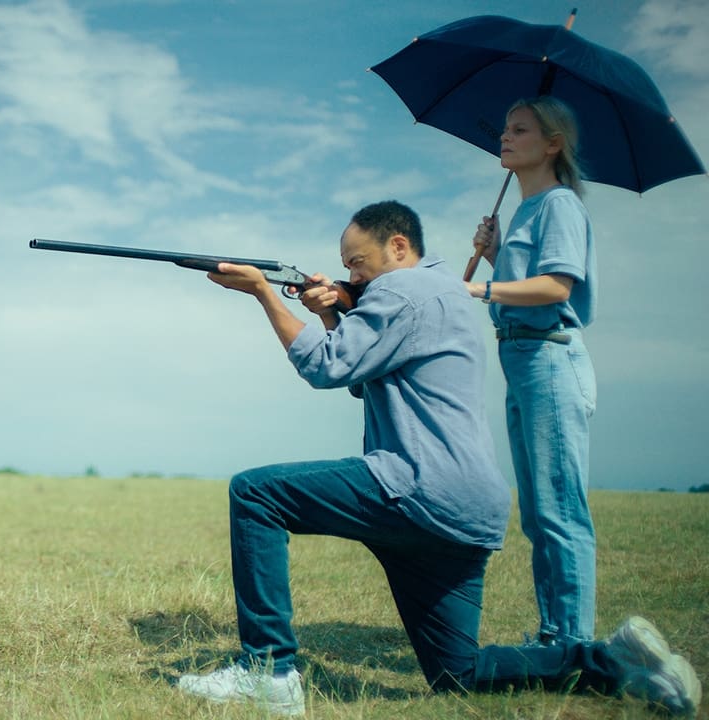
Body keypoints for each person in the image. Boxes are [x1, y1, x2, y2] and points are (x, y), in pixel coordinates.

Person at [175, 200, 700, 716]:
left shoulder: (401, 289)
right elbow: (362, 373)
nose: (352, 275)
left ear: (398, 246)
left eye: (357, 263)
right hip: (467, 509)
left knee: (256, 493)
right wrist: (332, 311)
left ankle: (268, 671)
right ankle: (614, 663)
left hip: (417, 486)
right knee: (457, 673)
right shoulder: (442, 290)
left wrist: (264, 293)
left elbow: (328, 367)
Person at [465, 96, 598, 646]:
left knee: (559, 507)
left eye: (520, 130)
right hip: (521, 357)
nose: (505, 136)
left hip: (549, 357)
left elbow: (556, 287)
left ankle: (570, 644)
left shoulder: (559, 204)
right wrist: (495, 254)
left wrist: (480, 287)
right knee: (540, 510)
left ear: (552, 144)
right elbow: (525, 283)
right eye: (505, 127)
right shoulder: (526, 209)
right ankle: (554, 635)